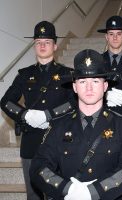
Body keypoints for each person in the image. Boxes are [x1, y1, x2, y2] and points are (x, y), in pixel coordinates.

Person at [29, 49, 122, 200]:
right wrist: (68, 189)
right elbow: (38, 166)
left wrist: (93, 191)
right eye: (82, 81)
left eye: (95, 81)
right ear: (75, 87)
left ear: (105, 86)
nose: (89, 87)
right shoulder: (58, 125)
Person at [0, 21, 75, 200]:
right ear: (34, 46)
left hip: (59, 141)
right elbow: (6, 101)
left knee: (58, 193)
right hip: (30, 141)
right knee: (33, 195)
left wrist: (48, 115)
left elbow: (75, 103)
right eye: (38, 42)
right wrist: (24, 114)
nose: (42, 45)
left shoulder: (68, 74)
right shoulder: (24, 74)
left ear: (55, 46)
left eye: (47, 42)